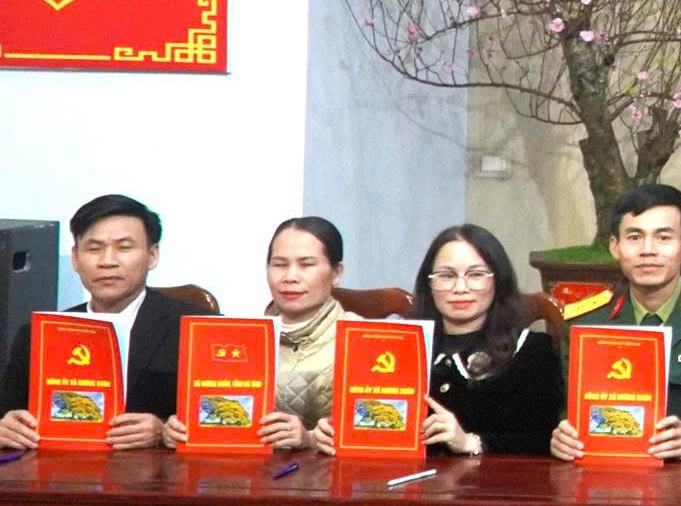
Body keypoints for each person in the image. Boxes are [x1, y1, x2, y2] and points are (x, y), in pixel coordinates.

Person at [552, 184, 681, 462]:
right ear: (615, 247)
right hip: (606, 474)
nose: (648, 250)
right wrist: (562, 440)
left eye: (663, 238)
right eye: (634, 237)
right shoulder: (585, 324)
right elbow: (567, 417)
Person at [315, 224, 563, 457]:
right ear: (430, 284)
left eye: (476, 274)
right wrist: (334, 431)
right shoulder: (395, 348)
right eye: (446, 275)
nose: (460, 288)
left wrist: (471, 442)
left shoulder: (531, 351)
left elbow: (544, 440)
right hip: (398, 480)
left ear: (498, 281)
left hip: (484, 484)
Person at [0, 194, 213, 450]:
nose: (107, 261)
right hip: (61, 467)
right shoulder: (38, 333)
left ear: (152, 255)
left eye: (124, 248)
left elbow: (218, 421)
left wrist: (164, 429)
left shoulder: (199, 329)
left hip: (155, 470)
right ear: (76, 258)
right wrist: (7, 426)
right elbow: (9, 412)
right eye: (94, 248)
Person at [166, 216, 346, 452]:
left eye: (306, 265)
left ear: (336, 272)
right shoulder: (239, 337)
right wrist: (178, 429)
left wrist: (310, 439)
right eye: (279, 264)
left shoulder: (360, 341)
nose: (290, 277)